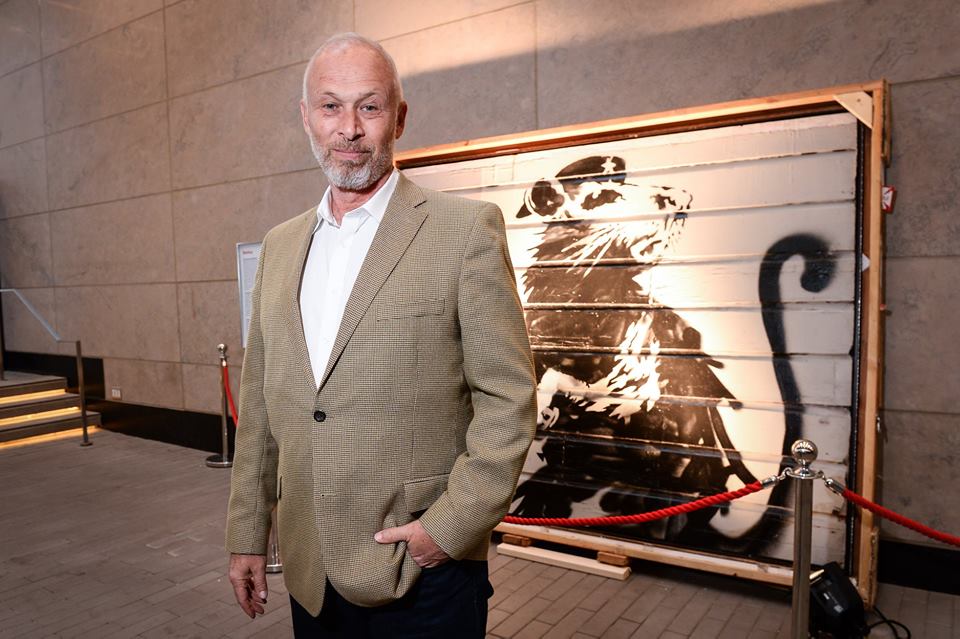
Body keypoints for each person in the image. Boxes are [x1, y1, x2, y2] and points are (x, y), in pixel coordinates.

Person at [224, 32, 537, 638]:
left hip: (422, 574)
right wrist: (247, 535)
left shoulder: (465, 231)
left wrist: (448, 528)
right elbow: (260, 406)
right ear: (306, 117)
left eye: (368, 107)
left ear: (399, 117)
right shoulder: (281, 246)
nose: (349, 128)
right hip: (312, 575)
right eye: (330, 106)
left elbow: (508, 398)